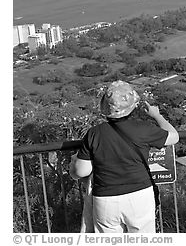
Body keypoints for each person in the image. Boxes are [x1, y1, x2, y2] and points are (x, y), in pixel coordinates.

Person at [69, 80, 179, 233]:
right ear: (132, 104)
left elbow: (81, 171)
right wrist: (156, 115)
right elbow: (174, 137)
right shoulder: (143, 128)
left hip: (106, 199)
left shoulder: (94, 133)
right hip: (140, 195)